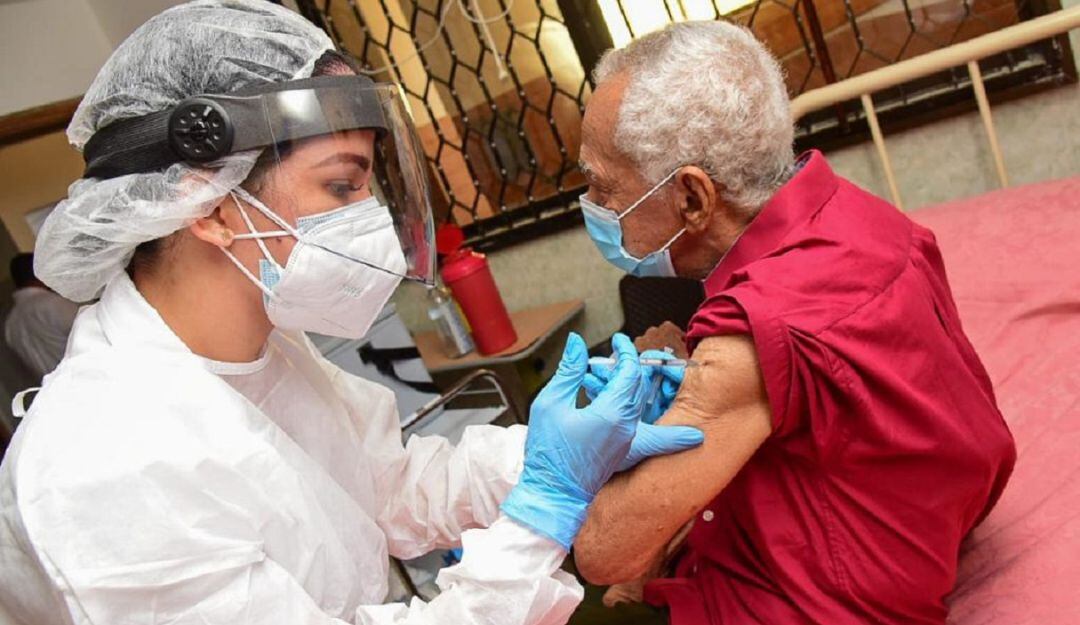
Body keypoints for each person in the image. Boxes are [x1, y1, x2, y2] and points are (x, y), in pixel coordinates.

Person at [0, 2, 705, 624]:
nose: (368, 219)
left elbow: (388, 486)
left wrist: (554, 449)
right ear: (207, 205)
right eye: (341, 186)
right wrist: (544, 505)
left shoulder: (267, 352)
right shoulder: (108, 461)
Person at [572, 20, 1016, 625]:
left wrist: (574, 456)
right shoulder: (861, 215)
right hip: (934, 524)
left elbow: (603, 553)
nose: (594, 208)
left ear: (693, 199)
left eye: (602, 187)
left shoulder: (748, 337)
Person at [3, 253, 79, 379]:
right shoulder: (51, 303)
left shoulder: (10, 324)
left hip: (58, 387)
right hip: (90, 376)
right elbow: (97, 330)